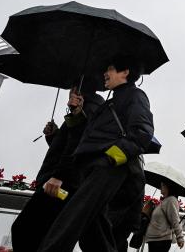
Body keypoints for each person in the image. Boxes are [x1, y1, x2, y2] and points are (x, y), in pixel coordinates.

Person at [37, 55, 154, 252]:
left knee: (72, 218)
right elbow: (86, 137)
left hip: (111, 169)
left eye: (110, 69)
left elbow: (142, 132)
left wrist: (108, 159)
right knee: (93, 235)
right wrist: (75, 114)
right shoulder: (109, 104)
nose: (105, 74)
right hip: (93, 170)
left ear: (125, 72)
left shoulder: (136, 96)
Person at [11, 86, 104, 252]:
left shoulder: (89, 109)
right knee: (44, 236)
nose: (70, 89)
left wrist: (59, 176)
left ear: (80, 88)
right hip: (63, 181)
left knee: (24, 230)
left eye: (73, 86)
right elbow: (67, 144)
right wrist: (54, 136)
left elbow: (78, 147)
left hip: (61, 183)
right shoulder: (85, 109)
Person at [145, 181, 185, 251]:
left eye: (163, 185)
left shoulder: (171, 200)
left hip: (161, 240)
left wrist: (180, 237)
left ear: (168, 187)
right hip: (155, 239)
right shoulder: (165, 201)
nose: (160, 187)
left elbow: (175, 219)